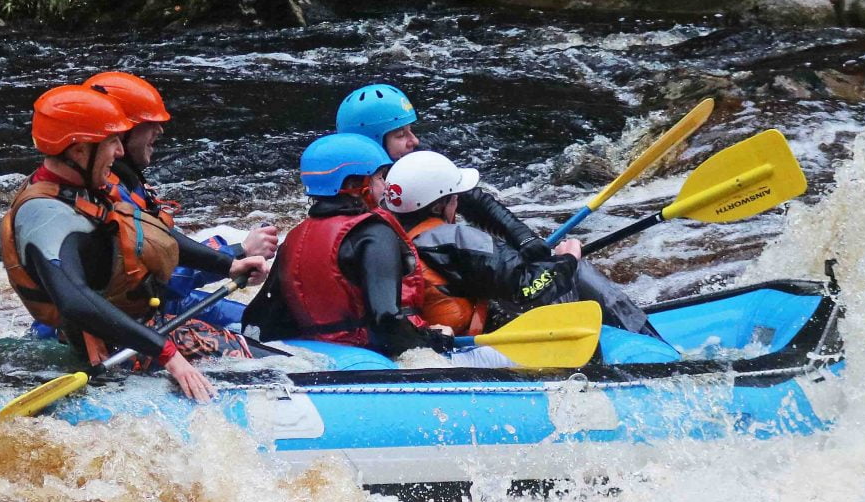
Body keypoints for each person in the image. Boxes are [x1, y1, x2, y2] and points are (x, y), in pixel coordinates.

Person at [0, 85, 268, 403]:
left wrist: (229, 264)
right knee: (271, 364)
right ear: (79, 151)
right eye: (111, 141)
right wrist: (166, 352)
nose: (119, 152)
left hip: (134, 330)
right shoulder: (46, 217)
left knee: (269, 353)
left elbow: (147, 236)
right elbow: (74, 301)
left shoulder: (83, 188)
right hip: (116, 347)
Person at [382, 149, 659, 338]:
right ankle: (646, 339)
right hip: (473, 340)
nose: (458, 203)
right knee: (576, 272)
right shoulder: (456, 239)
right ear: (438, 205)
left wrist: (524, 242)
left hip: (441, 329)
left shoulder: (384, 232)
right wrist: (567, 260)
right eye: (454, 198)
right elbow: (531, 289)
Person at [84, 69, 278, 324]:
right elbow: (163, 281)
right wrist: (238, 253)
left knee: (261, 322)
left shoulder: (126, 183)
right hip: (120, 320)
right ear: (121, 131)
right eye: (149, 123)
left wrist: (232, 257)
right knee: (259, 329)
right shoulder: (104, 197)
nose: (159, 131)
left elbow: (166, 256)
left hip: (149, 305)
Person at [241, 133, 453, 358]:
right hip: (368, 355)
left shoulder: (294, 238)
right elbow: (386, 319)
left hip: (316, 354)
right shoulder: (374, 234)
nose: (386, 186)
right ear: (355, 185)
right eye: (379, 177)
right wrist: (433, 341)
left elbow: (260, 319)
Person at [335, 82, 552, 263]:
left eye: (411, 131)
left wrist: (523, 237)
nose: (414, 141)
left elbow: (472, 200)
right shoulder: (342, 194)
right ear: (373, 144)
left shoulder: (416, 164)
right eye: (401, 135)